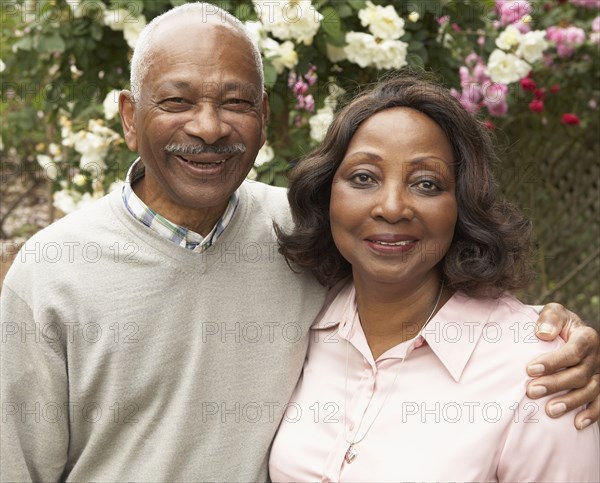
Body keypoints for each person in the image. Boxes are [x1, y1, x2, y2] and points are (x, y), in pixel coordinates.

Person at [0, 3, 597, 482]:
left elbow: (427, 276)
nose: (208, 127)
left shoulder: (301, 233)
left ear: (264, 116)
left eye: (234, 102)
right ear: (130, 116)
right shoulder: (51, 275)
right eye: (177, 101)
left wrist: (559, 336)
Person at [270, 74, 599, 481]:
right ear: (326, 194)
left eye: (426, 184)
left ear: (461, 204)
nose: (391, 208)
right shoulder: (301, 318)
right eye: (363, 178)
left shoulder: (541, 369)